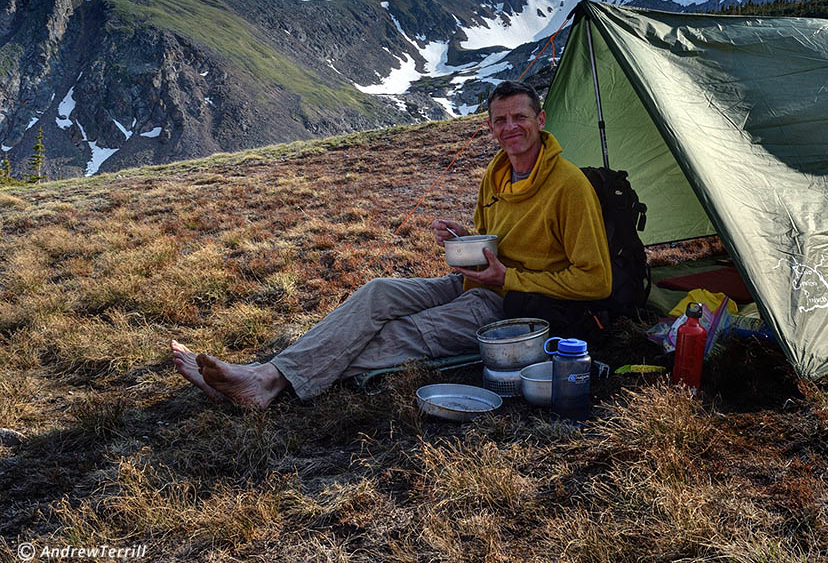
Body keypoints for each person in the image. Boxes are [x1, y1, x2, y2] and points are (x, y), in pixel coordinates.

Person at [171, 80, 612, 408]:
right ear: (490, 127)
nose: (510, 127)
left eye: (520, 117)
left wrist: (507, 276)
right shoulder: (497, 175)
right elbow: (498, 236)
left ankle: (264, 381)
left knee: (402, 332)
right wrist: (464, 236)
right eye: (500, 120)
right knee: (378, 291)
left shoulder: (567, 186)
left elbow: (596, 281)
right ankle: (266, 375)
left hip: (517, 303)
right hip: (473, 282)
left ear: (540, 120)